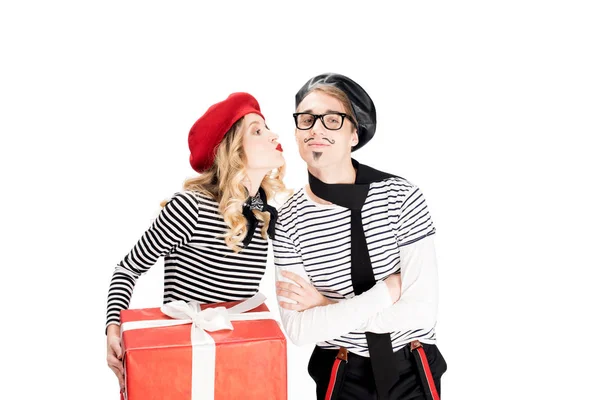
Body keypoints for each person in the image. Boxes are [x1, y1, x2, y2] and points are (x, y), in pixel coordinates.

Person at [274, 73, 447, 400]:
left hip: (411, 365)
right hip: (340, 371)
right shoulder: (289, 220)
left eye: (332, 119)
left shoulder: (401, 197)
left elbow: (421, 310)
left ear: (355, 134)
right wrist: (385, 292)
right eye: (307, 119)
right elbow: (299, 330)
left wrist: (327, 307)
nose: (317, 129)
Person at [105, 92, 289, 393]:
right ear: (233, 150)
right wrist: (113, 329)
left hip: (237, 366)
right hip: (181, 366)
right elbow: (127, 270)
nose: (274, 135)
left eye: (267, 127)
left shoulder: (263, 215)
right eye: (258, 130)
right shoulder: (191, 207)